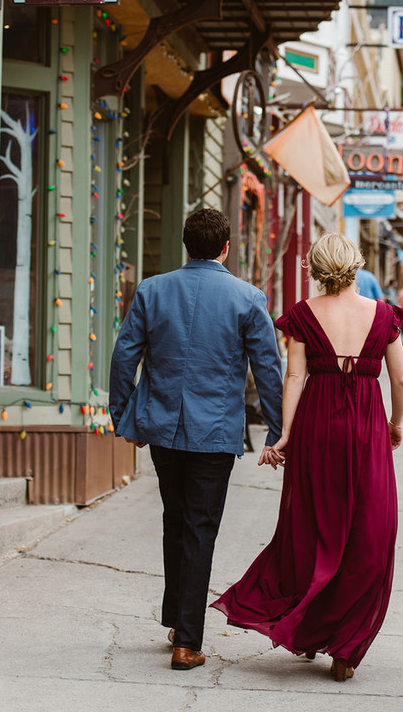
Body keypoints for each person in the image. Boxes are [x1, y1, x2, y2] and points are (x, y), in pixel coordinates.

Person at [211, 233, 403, 682]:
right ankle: (345, 647)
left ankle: (310, 625)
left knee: (314, 529)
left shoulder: (303, 315)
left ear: (315, 269)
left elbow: (294, 376)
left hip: (318, 428)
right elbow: (400, 381)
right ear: (355, 266)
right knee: (369, 531)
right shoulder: (384, 316)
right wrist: (396, 423)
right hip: (366, 428)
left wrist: (284, 436)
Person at [109, 208, 283, 671]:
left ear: (186, 244)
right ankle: (187, 641)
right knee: (199, 528)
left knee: (176, 519)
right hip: (214, 432)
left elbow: (124, 355)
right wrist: (279, 428)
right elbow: (268, 368)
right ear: (226, 247)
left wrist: (123, 416)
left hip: (163, 427)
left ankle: (175, 618)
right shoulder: (248, 298)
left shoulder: (152, 290)